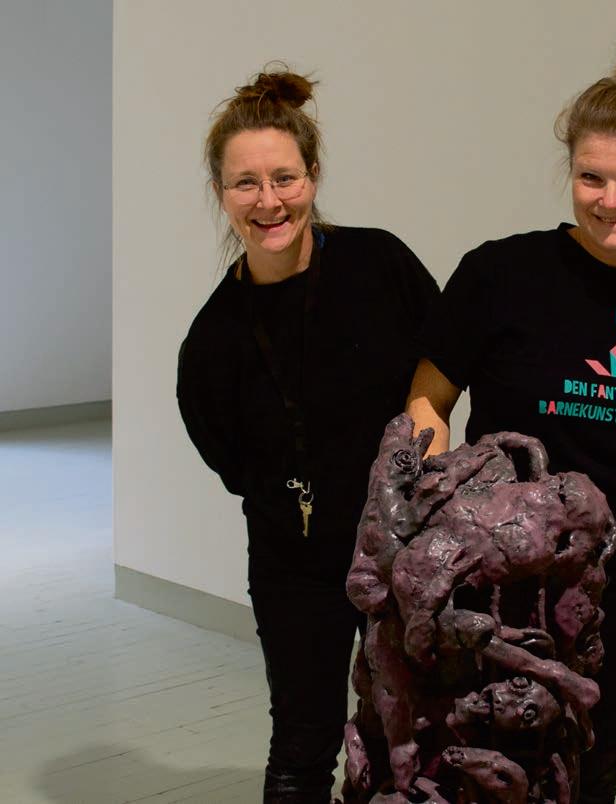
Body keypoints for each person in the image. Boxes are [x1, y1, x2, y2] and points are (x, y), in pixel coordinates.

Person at [406, 36, 616, 803]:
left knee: (589, 777)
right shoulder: (500, 274)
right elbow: (428, 398)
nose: (609, 199)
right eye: (591, 177)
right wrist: (432, 527)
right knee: (479, 771)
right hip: (501, 581)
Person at [176, 67, 439, 803]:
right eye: (246, 184)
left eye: (284, 178)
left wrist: (420, 448)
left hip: (409, 549)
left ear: (313, 177)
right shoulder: (212, 341)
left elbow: (442, 366)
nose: (268, 202)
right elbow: (232, 462)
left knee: (417, 735)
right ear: (221, 193)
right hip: (294, 564)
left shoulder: (379, 262)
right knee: (302, 742)